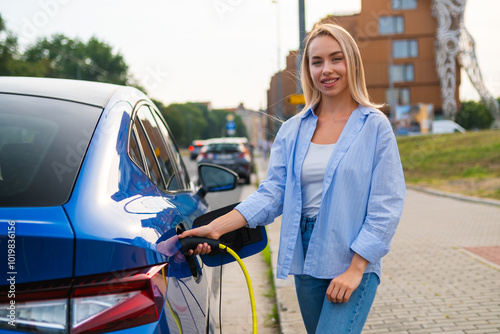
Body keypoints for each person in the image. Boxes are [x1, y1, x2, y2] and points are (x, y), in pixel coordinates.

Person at [180, 22, 406, 334]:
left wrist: (356, 269)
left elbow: (387, 203)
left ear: (352, 62)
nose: (326, 69)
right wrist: (216, 228)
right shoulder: (293, 130)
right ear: (308, 69)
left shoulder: (374, 126)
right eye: (317, 62)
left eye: (336, 58)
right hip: (305, 253)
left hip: (353, 253)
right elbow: (272, 194)